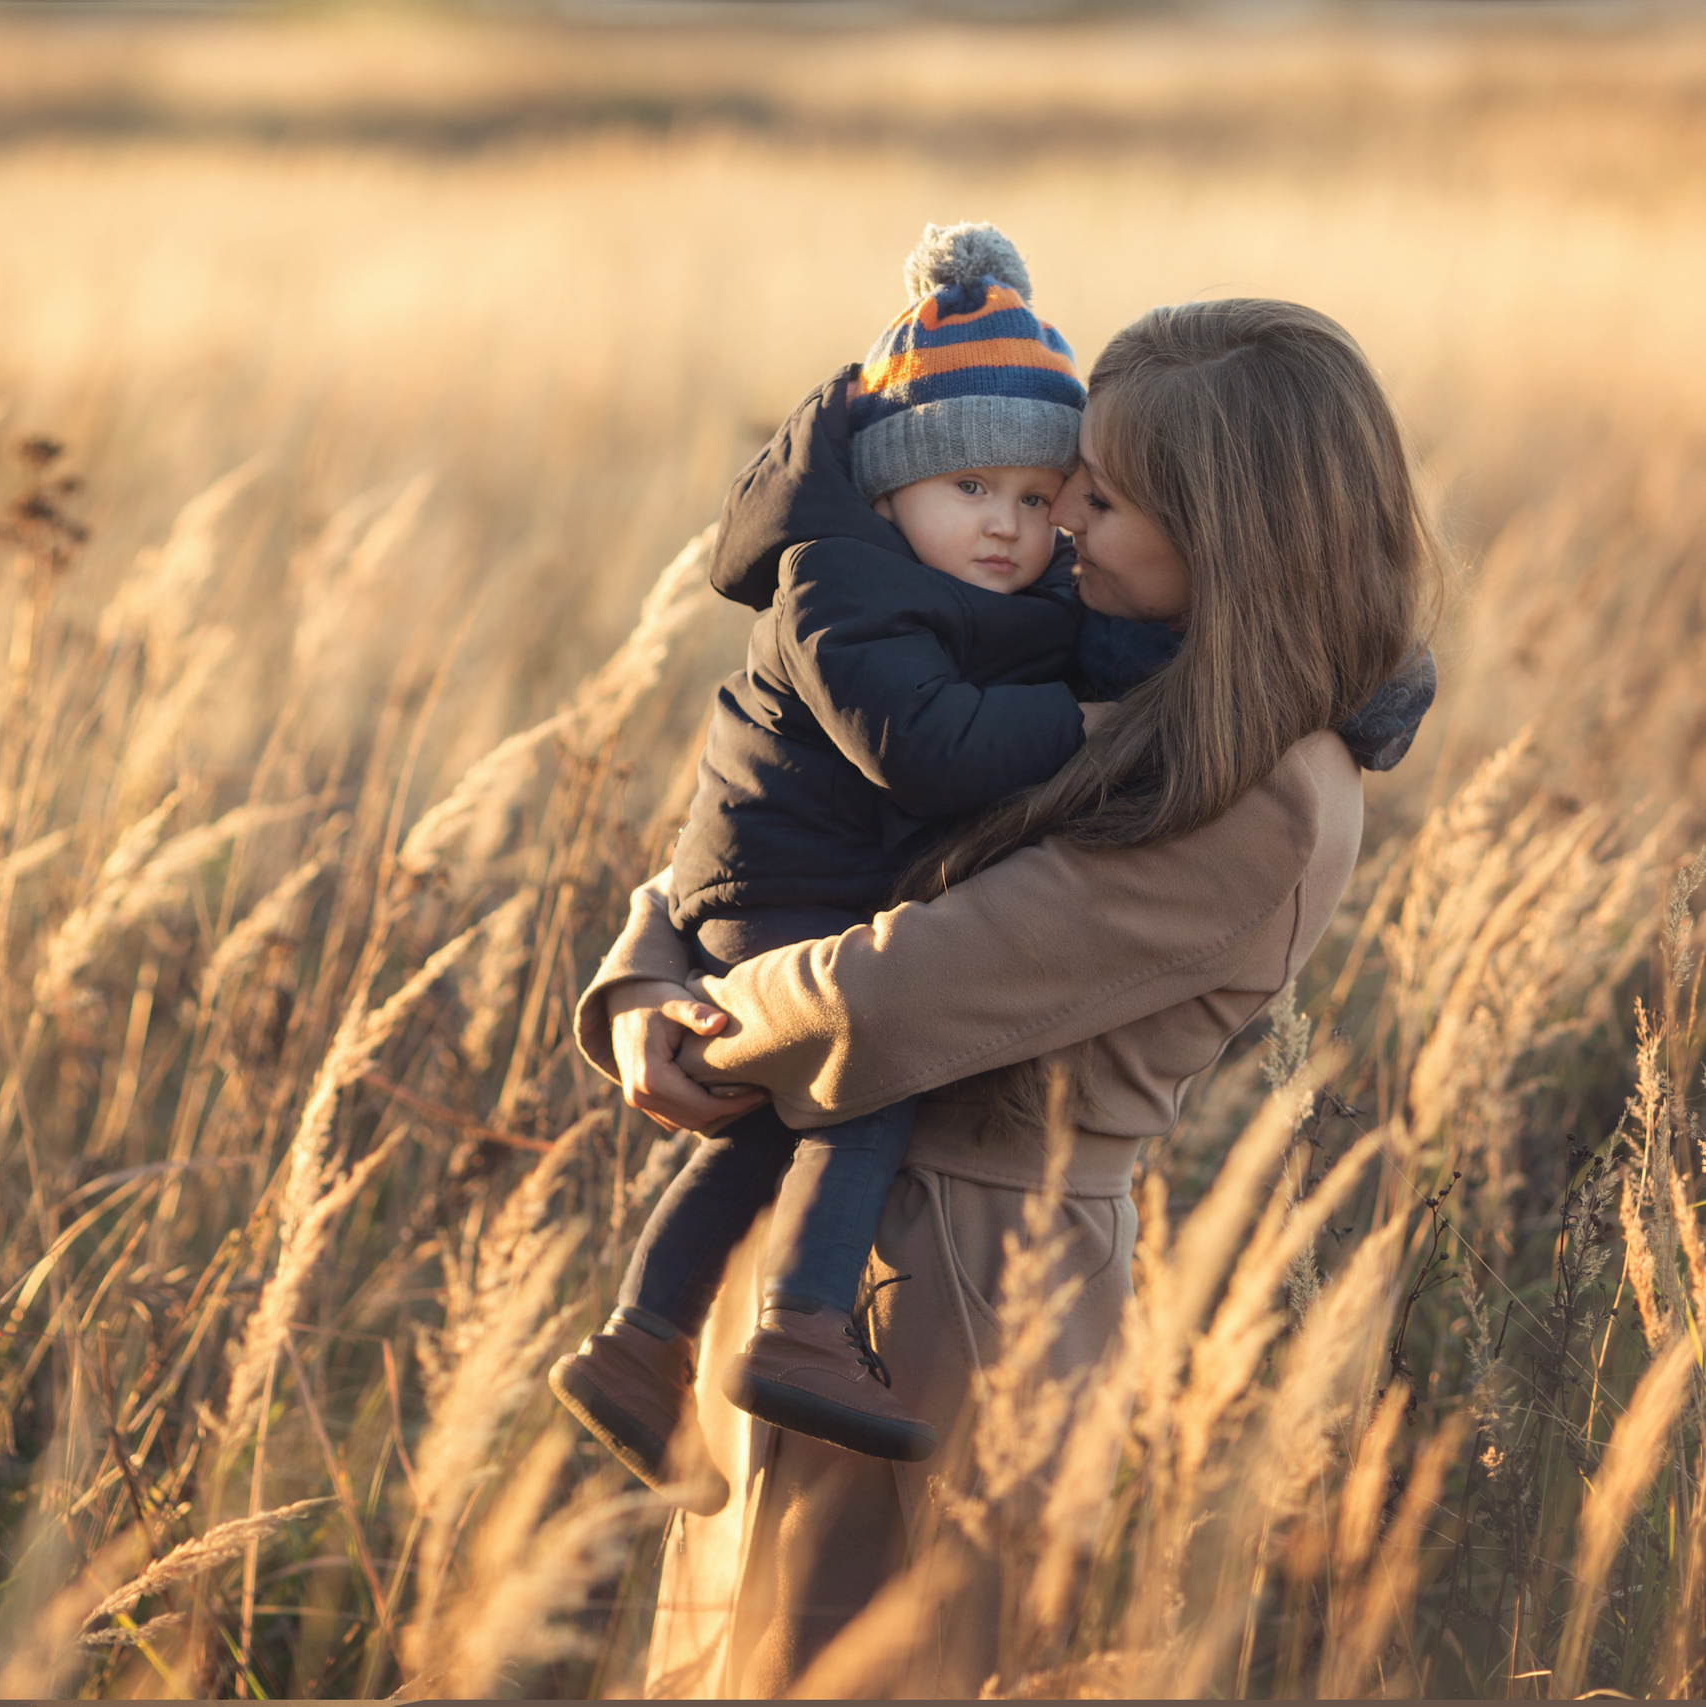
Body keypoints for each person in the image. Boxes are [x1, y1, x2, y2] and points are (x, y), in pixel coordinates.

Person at [575, 296, 1439, 1696]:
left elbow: (896, 992)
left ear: (1224, 529)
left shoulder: (1266, 788)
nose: (1062, 523)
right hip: (804, 1246)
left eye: (1099, 494)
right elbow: (784, 825)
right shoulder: (1070, 652)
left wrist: (701, 1018)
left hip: (971, 1286)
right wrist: (639, 982)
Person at [552, 222, 1105, 1500]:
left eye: (1036, 501)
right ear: (887, 488)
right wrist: (1092, 724)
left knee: (751, 1137)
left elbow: (1047, 657)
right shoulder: (841, 586)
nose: (1007, 529)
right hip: (783, 890)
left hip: (791, 884)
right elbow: (927, 748)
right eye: (969, 491)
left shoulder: (949, 591)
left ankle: (640, 1348)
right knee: (868, 1079)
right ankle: (799, 1325)